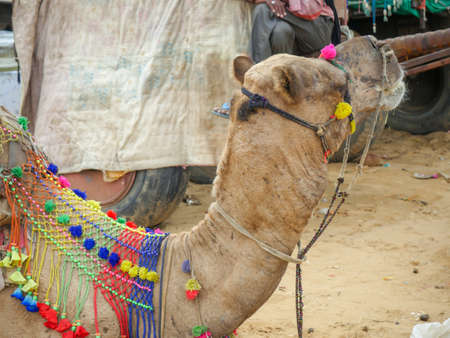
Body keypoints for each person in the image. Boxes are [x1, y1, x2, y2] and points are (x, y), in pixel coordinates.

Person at [248, 0, 341, 63]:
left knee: (262, 9)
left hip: (318, 28)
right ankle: (280, 77)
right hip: (294, 26)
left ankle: (258, 71)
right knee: (281, 31)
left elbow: (310, 9)